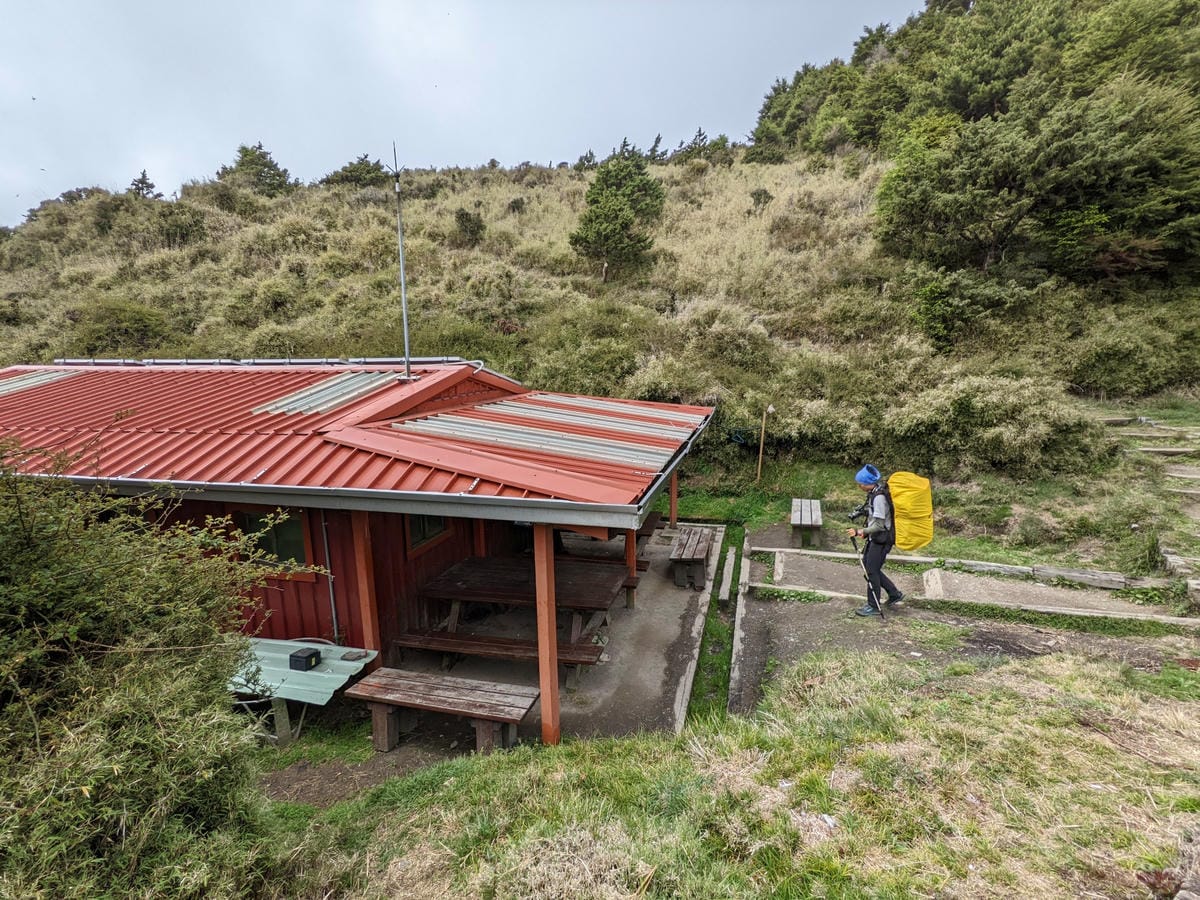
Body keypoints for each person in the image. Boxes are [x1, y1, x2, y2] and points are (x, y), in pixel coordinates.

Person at [845, 464, 905, 617]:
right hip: (876, 538)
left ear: (868, 483)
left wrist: (860, 531)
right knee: (870, 567)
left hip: (882, 539)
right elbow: (875, 515)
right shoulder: (875, 492)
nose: (859, 486)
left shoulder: (879, 498)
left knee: (871, 570)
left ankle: (873, 606)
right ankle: (894, 594)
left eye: (861, 483)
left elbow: (879, 525)